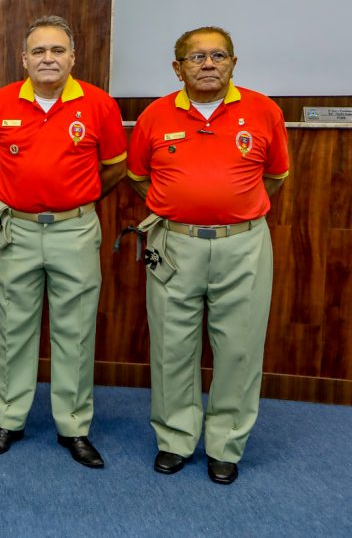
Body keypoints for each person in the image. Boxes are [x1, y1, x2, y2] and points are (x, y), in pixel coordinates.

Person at [127, 26, 288, 484]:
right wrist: (181, 207)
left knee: (238, 347)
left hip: (244, 245)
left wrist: (231, 208)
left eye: (219, 55)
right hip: (174, 244)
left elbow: (275, 177)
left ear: (234, 63)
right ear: (177, 68)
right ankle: (175, 438)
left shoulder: (263, 111)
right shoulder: (156, 116)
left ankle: (225, 444)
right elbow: (139, 177)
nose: (208, 64)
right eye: (196, 58)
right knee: (171, 345)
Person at [0, 15, 127, 468]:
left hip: (75, 231)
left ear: (72, 58)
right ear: (24, 59)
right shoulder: (1, 103)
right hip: (17, 230)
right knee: (14, 329)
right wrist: (18, 197)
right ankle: (8, 420)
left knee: (75, 331)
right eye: (38, 51)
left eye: (57, 50)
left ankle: (74, 426)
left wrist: (75, 199)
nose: (48, 58)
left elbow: (115, 168)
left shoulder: (98, 105)